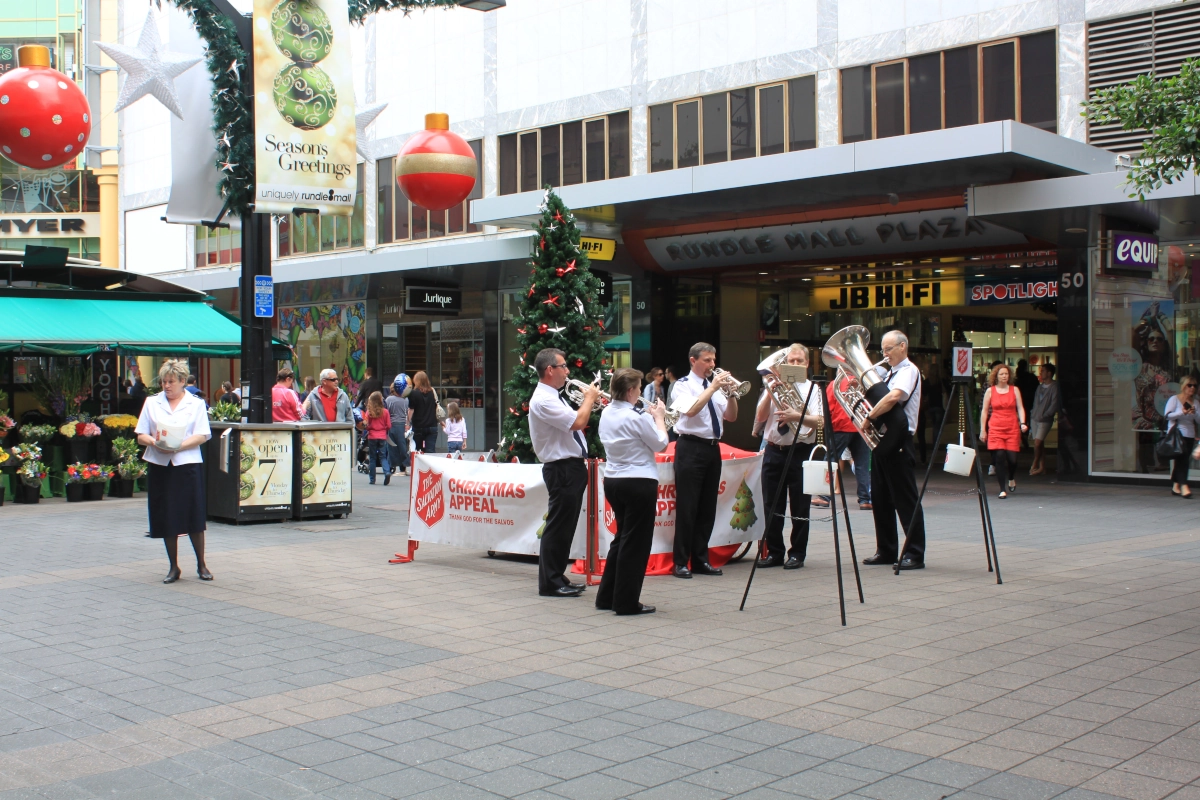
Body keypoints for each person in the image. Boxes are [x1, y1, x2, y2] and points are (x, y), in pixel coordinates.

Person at [134, 360, 213, 584]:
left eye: (171, 382)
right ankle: (173, 566)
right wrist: (154, 442)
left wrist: (179, 445)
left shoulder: (195, 403)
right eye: (164, 382)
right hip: (161, 464)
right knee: (166, 514)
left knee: (193, 513)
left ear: (182, 382)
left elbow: (202, 435)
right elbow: (141, 434)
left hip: (187, 463)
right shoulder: (152, 402)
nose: (166, 386)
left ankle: (201, 563)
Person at [597, 368, 668, 615]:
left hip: (614, 480)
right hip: (639, 480)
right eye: (638, 388)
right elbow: (660, 443)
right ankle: (626, 602)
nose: (640, 392)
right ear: (630, 391)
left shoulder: (606, 412)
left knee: (622, 538)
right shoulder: (638, 417)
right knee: (635, 544)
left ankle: (607, 596)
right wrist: (659, 417)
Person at [529, 348, 599, 598]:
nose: (568, 371)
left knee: (565, 525)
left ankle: (557, 576)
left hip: (569, 467)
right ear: (550, 370)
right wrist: (590, 398)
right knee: (558, 526)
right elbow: (578, 422)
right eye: (564, 366)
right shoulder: (544, 399)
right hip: (562, 468)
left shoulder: (553, 396)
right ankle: (550, 582)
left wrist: (588, 401)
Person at [670, 342, 739, 579]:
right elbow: (690, 410)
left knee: (707, 508)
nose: (712, 365)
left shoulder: (716, 386)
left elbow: (731, 416)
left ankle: (700, 560)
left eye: (713, 360)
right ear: (693, 360)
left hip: (712, 448)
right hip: (690, 447)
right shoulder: (682, 385)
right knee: (688, 507)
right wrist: (713, 388)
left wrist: (731, 395)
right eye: (707, 360)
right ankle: (680, 562)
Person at [754, 344, 823, 570]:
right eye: (790, 361)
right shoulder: (772, 386)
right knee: (771, 505)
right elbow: (760, 417)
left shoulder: (813, 389)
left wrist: (797, 415)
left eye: (799, 362)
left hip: (800, 451)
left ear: (806, 365)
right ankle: (774, 552)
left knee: (800, 506)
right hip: (774, 450)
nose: (794, 365)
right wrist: (770, 391)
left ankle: (797, 553)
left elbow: (820, 421)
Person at [862, 330, 926, 570]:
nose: (885, 354)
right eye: (883, 350)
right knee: (881, 498)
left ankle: (914, 553)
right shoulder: (889, 372)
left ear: (902, 347)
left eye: (889, 349)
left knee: (905, 499)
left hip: (900, 441)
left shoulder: (908, 371)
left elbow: (894, 397)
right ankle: (886, 549)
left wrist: (869, 416)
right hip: (883, 440)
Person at [824, 373, 872, 510]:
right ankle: (865, 499)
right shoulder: (864, 382)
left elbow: (828, 407)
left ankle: (824, 496)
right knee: (861, 464)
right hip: (861, 426)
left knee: (830, 460)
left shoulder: (835, 383)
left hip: (841, 426)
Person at [980, 363, 1027, 498]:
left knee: (1013, 460)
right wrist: (983, 430)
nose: (1004, 376)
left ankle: (1011, 477)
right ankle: (1002, 489)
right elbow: (984, 411)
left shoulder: (1015, 390)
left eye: (1006, 374)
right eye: (1001, 374)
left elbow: (1020, 407)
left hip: (1011, 426)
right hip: (995, 427)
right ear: (996, 376)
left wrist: (1022, 423)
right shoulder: (990, 391)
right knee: (999, 456)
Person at [1164, 378, 1198, 498]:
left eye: (1194, 385)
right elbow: (1167, 415)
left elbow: (1198, 420)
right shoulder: (1174, 399)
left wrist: (1194, 413)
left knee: (1182, 460)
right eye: (1189, 385)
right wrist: (1182, 413)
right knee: (1183, 460)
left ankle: (1175, 485)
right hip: (1177, 434)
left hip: (1190, 434)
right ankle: (1184, 486)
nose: (1192, 388)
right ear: (1183, 386)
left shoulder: (1195, 402)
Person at [1029, 364, 1061, 476]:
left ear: (1049, 373)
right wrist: (1033, 413)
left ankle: (1035, 463)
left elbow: (1054, 403)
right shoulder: (1040, 387)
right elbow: (1035, 402)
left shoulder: (1054, 387)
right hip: (1035, 417)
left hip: (1045, 419)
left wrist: (1046, 414)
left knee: (1037, 442)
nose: (1041, 373)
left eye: (1043, 371)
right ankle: (1042, 467)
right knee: (1039, 443)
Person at [364, 391, 392, 485]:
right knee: (383, 456)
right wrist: (383, 429)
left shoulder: (369, 412)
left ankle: (372, 479)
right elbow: (388, 425)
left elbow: (366, 425)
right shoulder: (385, 412)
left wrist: (370, 428)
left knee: (372, 458)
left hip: (372, 436)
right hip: (382, 436)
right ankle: (387, 472)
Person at [407, 371, 440, 453]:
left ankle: (419, 466)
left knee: (417, 451)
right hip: (432, 425)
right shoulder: (432, 392)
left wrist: (407, 423)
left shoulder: (413, 393)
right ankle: (430, 466)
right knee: (431, 451)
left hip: (418, 426)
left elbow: (411, 410)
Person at [384, 375, 410, 476]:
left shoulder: (389, 400)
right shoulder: (406, 399)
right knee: (403, 447)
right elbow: (407, 412)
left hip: (392, 425)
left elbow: (387, 412)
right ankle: (403, 467)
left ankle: (392, 467)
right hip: (403, 425)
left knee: (392, 447)